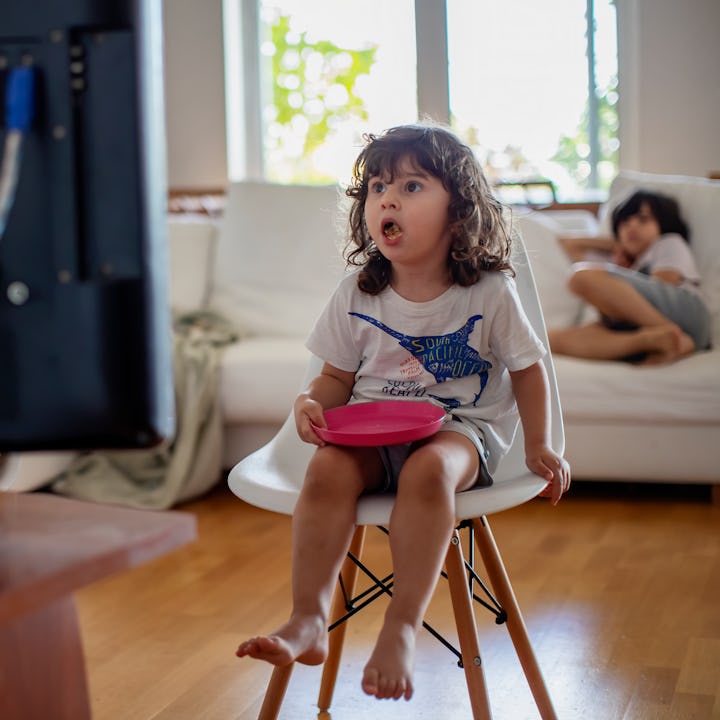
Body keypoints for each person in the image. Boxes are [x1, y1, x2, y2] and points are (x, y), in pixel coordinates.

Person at [236, 124, 571, 702]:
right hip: (368, 426)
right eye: (377, 187)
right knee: (327, 472)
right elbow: (338, 378)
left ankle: (401, 626)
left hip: (459, 429)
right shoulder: (356, 293)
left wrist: (540, 444)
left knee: (429, 471)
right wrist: (312, 403)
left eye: (412, 186)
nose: (386, 198)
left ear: (459, 214)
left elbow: (527, 368)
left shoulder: (489, 291)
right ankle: (309, 619)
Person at [548, 190, 712, 364]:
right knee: (550, 340)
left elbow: (664, 283)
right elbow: (570, 244)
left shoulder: (668, 242)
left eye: (643, 219)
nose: (632, 226)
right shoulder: (627, 264)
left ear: (663, 223)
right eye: (625, 222)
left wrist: (620, 280)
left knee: (579, 277)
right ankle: (647, 341)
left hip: (687, 318)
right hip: (638, 328)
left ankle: (671, 334)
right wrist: (619, 245)